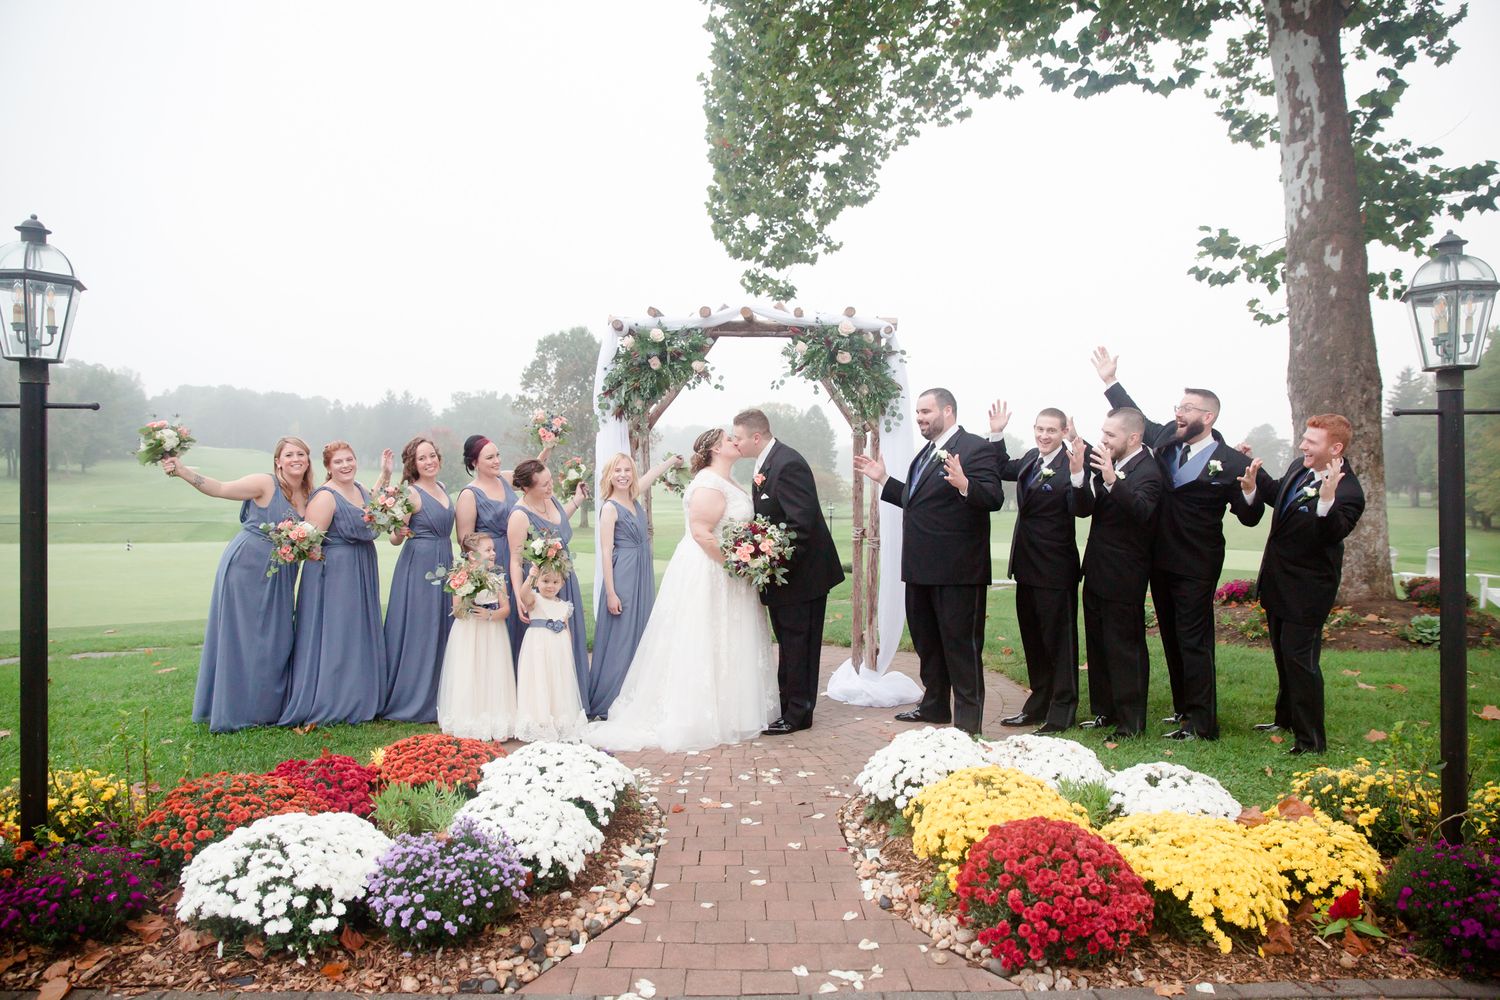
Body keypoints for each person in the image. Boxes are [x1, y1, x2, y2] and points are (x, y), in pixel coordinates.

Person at [1092, 346, 1257, 741]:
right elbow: (1136, 422)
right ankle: (1184, 707)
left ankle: (1202, 723)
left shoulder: (1231, 461)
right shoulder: (1167, 438)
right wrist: (1110, 381)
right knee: (1170, 636)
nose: (1179, 413)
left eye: (1187, 408)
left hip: (1196, 563)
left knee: (1194, 641)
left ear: (1208, 416)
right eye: (1178, 407)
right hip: (1158, 559)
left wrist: (1250, 492)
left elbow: (1249, 516)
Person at [587, 428, 777, 752]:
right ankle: (699, 713)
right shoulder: (708, 484)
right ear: (715, 449)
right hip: (711, 568)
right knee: (705, 635)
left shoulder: (728, 480)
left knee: (727, 635)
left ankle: (733, 708)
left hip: (727, 567)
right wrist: (735, 565)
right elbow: (702, 533)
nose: (735, 442)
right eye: (728, 440)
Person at [853, 388, 1003, 734]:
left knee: (961, 648)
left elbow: (993, 497)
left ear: (948, 411)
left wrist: (966, 484)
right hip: (920, 569)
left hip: (958, 572)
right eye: (918, 412)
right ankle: (934, 706)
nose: (920, 418)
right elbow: (916, 501)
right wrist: (883, 479)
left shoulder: (975, 448)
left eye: (926, 411)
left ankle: (968, 726)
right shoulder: (925, 453)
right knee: (928, 644)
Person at [163, 437, 312, 733]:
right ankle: (236, 710)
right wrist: (183, 471)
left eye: (301, 454)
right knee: (243, 636)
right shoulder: (265, 483)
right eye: (289, 454)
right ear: (278, 461)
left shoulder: (309, 494)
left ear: (308, 460)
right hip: (247, 565)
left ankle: (267, 707)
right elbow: (220, 488)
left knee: (277, 637)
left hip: (282, 572)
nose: (296, 459)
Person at [1239, 414, 1365, 755]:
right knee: (1283, 656)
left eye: (1311, 441)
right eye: (1304, 439)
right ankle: (1285, 719)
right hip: (1278, 581)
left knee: (1301, 661)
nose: (1302, 445)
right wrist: (1252, 475)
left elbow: (1332, 534)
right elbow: (1279, 494)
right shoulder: (1299, 467)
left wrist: (1326, 501)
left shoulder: (1349, 492)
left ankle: (1310, 741)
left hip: (1308, 591)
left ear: (1335, 449)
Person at [733, 408, 846, 735]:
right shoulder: (766, 463)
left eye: (738, 438)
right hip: (783, 577)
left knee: (800, 645)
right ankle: (788, 706)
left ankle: (798, 714)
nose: (736, 443)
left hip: (802, 576)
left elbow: (801, 525)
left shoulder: (788, 464)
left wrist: (770, 563)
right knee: (789, 642)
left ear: (756, 437)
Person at [278, 442, 391, 727]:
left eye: (349, 459)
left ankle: (358, 695)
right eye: (338, 462)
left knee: (356, 631)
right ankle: (333, 698)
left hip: (362, 566)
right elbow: (310, 544)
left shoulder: (361, 489)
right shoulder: (325, 496)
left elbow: (371, 508)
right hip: (335, 574)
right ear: (328, 467)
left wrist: (385, 475)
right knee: (337, 632)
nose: (345, 465)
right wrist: (327, 563)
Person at [988, 402, 1083, 734]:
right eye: (1040, 429)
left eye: (1051, 430)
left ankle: (1062, 711)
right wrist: (997, 433)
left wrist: (1079, 472)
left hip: (1055, 568)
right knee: (1034, 641)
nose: (1044, 435)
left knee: (1059, 643)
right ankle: (1038, 703)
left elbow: (1081, 506)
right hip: (1026, 566)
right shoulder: (1031, 458)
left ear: (1064, 432)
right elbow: (1002, 467)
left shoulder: (1071, 463)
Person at [1069, 407, 1163, 739]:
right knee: (1098, 645)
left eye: (1111, 434)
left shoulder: (1148, 471)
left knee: (1125, 648)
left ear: (1133, 437)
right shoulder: (1109, 462)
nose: (1104, 439)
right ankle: (1105, 711)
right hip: (1096, 568)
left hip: (1125, 574)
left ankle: (1131, 722)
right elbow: (1084, 509)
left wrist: (1112, 480)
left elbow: (1142, 512)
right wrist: (1079, 475)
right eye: (1103, 432)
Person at [587, 451, 683, 719]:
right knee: (622, 636)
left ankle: (635, 694)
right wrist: (611, 592)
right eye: (617, 471)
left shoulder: (632, 497)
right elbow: (605, 552)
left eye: (627, 470)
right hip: (623, 575)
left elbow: (651, 475)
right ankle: (612, 698)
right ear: (609, 475)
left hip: (641, 572)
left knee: (640, 631)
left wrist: (671, 462)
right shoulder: (610, 508)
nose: (623, 475)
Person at [454, 434, 550, 664]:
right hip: (492, 562)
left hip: (518, 556)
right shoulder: (469, 495)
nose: (497, 460)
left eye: (497, 455)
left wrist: (547, 447)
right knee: (502, 615)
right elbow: (464, 541)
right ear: (474, 462)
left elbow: (532, 476)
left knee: (524, 609)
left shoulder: (506, 479)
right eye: (490, 457)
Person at [381, 436, 456, 722]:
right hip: (419, 564)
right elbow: (393, 539)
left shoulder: (443, 488)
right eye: (422, 458)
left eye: (432, 455)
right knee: (421, 625)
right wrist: (398, 530)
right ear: (413, 464)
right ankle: (413, 694)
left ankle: (440, 693)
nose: (429, 461)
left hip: (444, 558)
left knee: (442, 623)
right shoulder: (410, 493)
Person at [506, 459, 589, 700]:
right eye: (544, 484)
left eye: (550, 480)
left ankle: (572, 700)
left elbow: (558, 524)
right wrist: (519, 596)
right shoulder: (519, 515)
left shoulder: (550, 499)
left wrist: (576, 500)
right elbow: (515, 560)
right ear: (526, 487)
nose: (550, 486)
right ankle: (544, 702)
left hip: (565, 580)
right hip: (540, 588)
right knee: (546, 645)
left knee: (567, 638)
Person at [436, 532, 516, 741]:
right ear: (472, 555)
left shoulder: (497, 578)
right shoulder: (460, 577)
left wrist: (490, 615)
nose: (493, 553)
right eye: (488, 550)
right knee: (469, 669)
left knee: (492, 670)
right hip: (468, 632)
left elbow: (506, 609)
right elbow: (457, 611)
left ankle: (493, 718)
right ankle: (468, 717)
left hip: (493, 631)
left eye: (493, 549)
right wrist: (468, 597)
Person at [513, 561, 589, 743]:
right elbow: (523, 595)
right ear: (538, 581)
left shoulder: (564, 605)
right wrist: (530, 577)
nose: (550, 586)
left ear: (562, 583)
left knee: (557, 682)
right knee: (539, 679)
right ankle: (540, 719)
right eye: (545, 581)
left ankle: (559, 719)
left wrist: (568, 651)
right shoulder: (534, 599)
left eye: (555, 582)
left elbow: (566, 628)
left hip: (558, 649)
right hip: (538, 647)